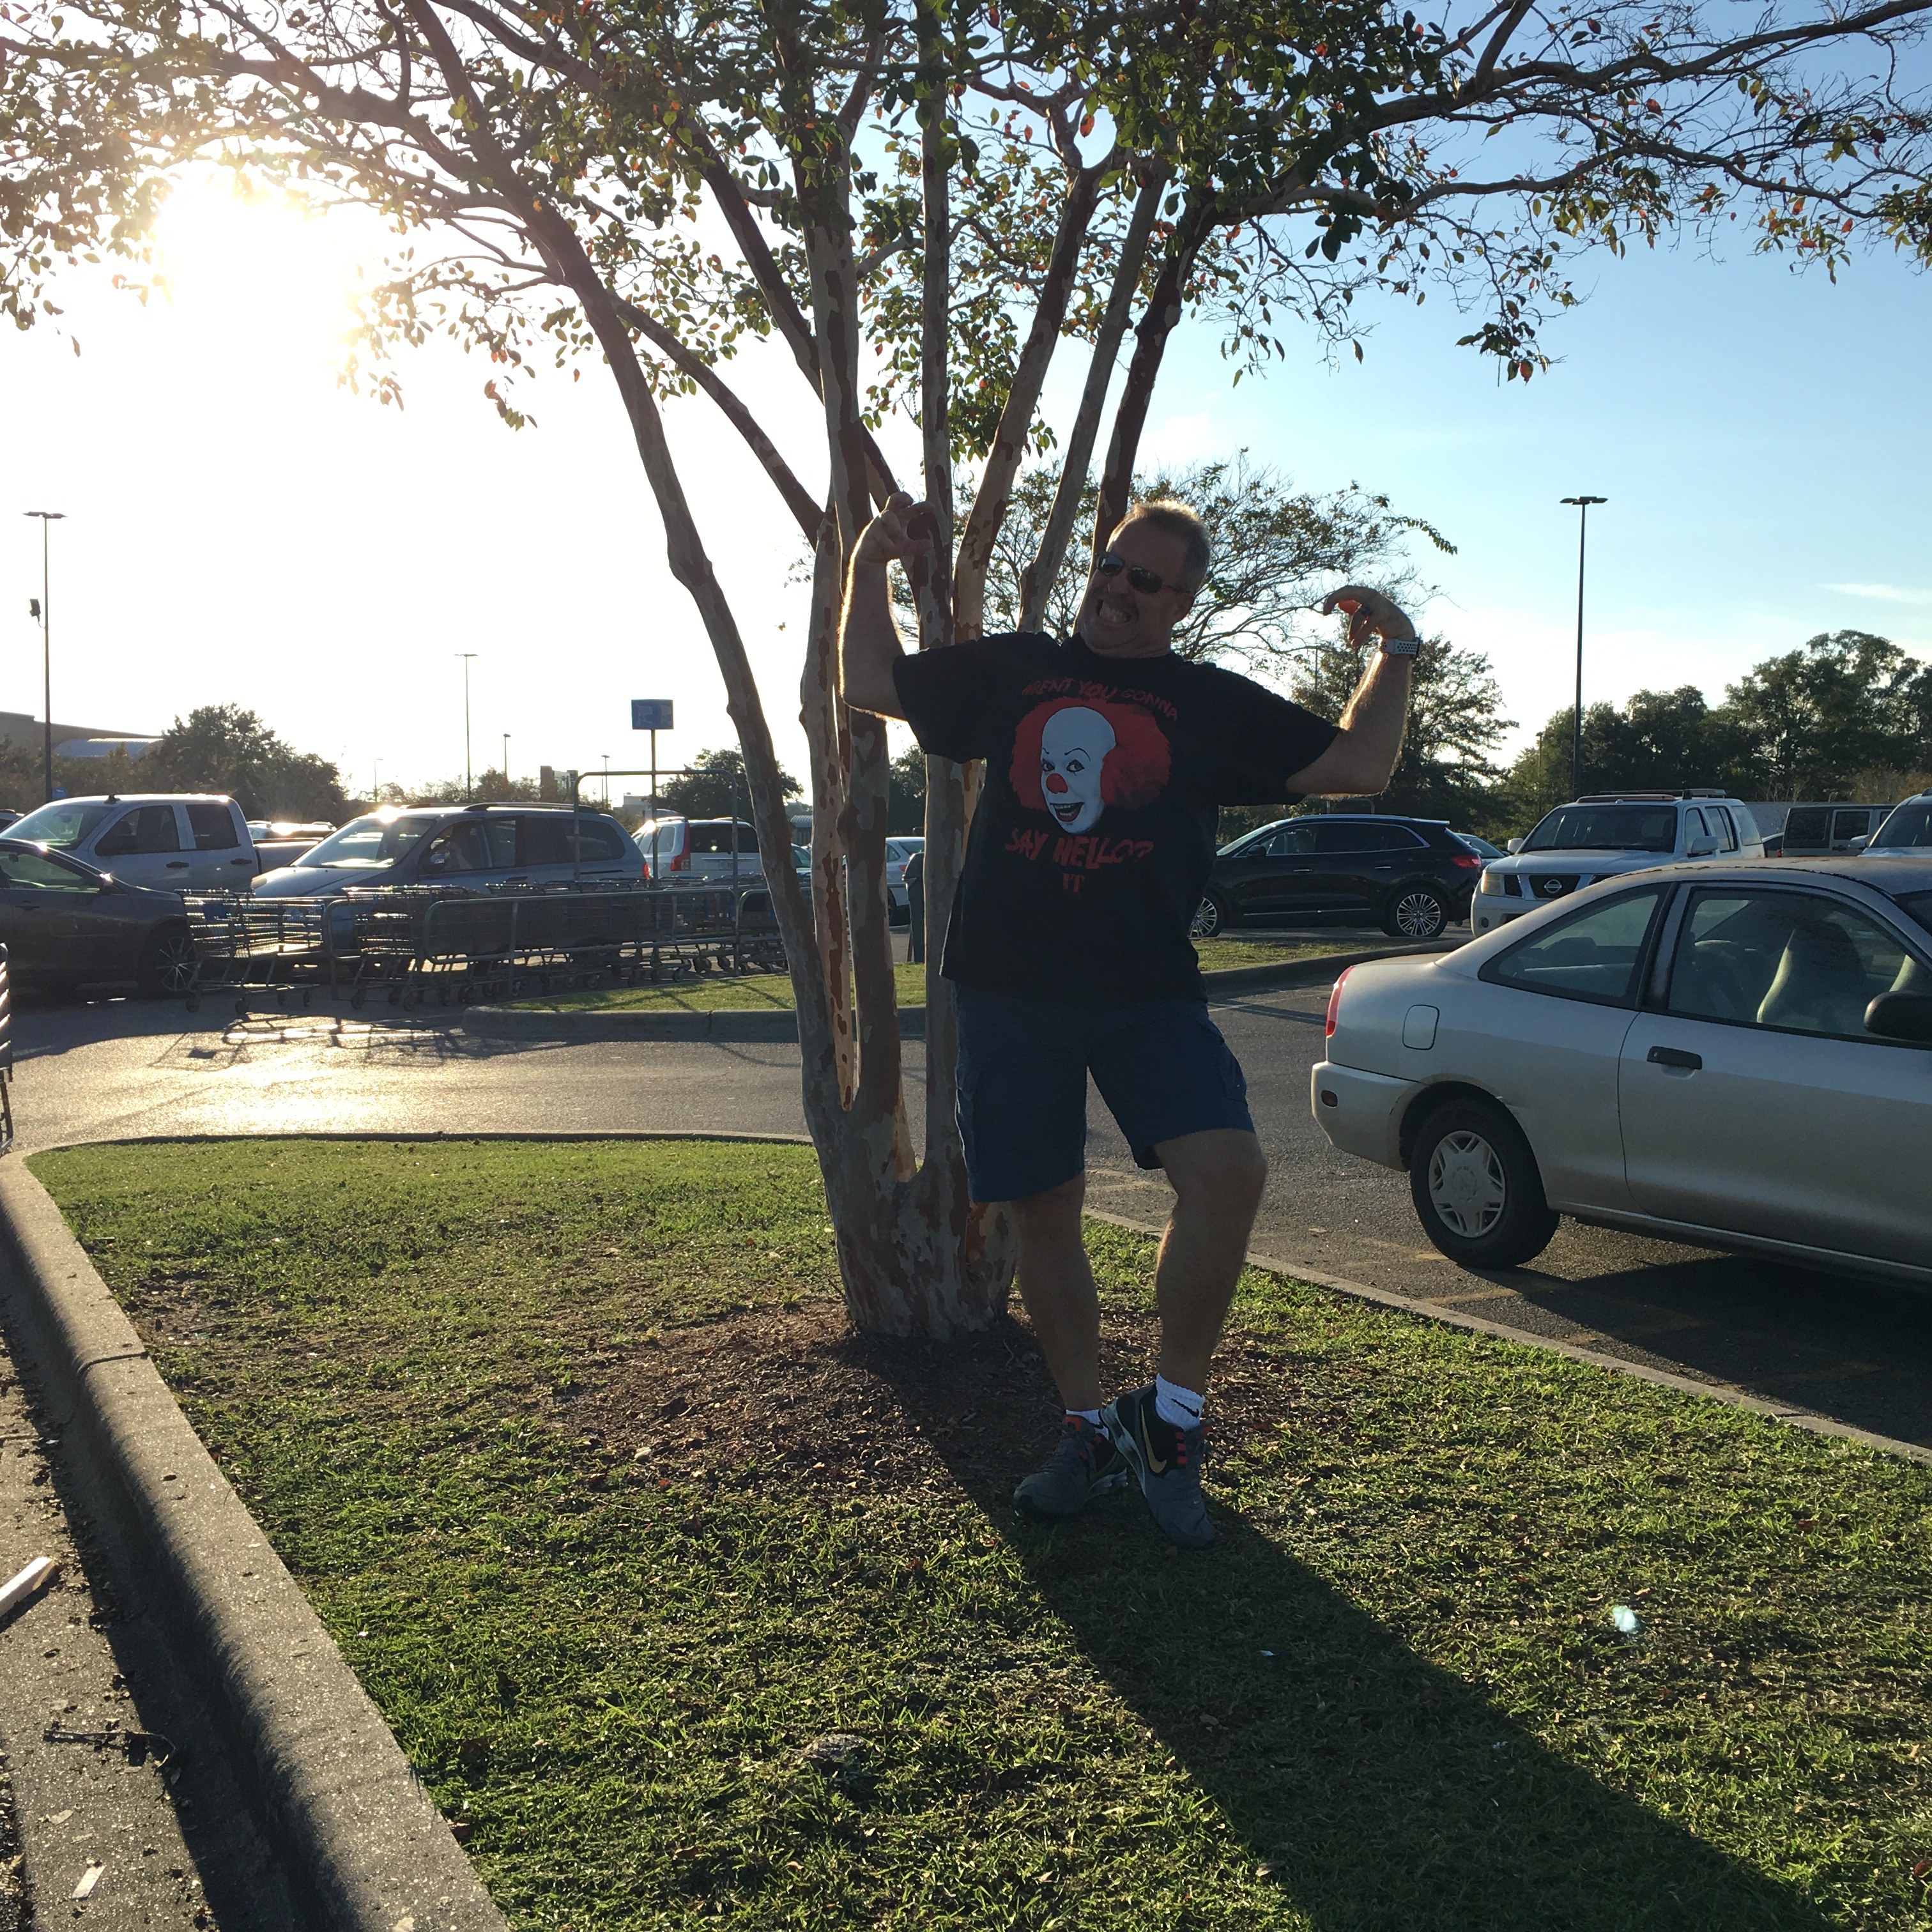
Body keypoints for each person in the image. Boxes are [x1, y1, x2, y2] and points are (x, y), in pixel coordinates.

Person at [839, 494, 1418, 1547]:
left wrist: (1397, 652)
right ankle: (1086, 1431)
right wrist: (868, 563)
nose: (1115, 588)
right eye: (1111, 565)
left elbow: (1355, 765)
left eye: (1144, 580)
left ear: (1179, 603)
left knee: (1228, 1173)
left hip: (1147, 991)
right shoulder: (1017, 669)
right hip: (1009, 989)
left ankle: (1171, 1418)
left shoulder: (1203, 703)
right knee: (1045, 1209)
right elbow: (869, 682)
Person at [904, 843, 926, 963]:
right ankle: (920, 957)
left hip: (917, 888)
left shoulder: (918, 858)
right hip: (918, 890)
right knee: (918, 926)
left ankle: (921, 957)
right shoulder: (919, 859)